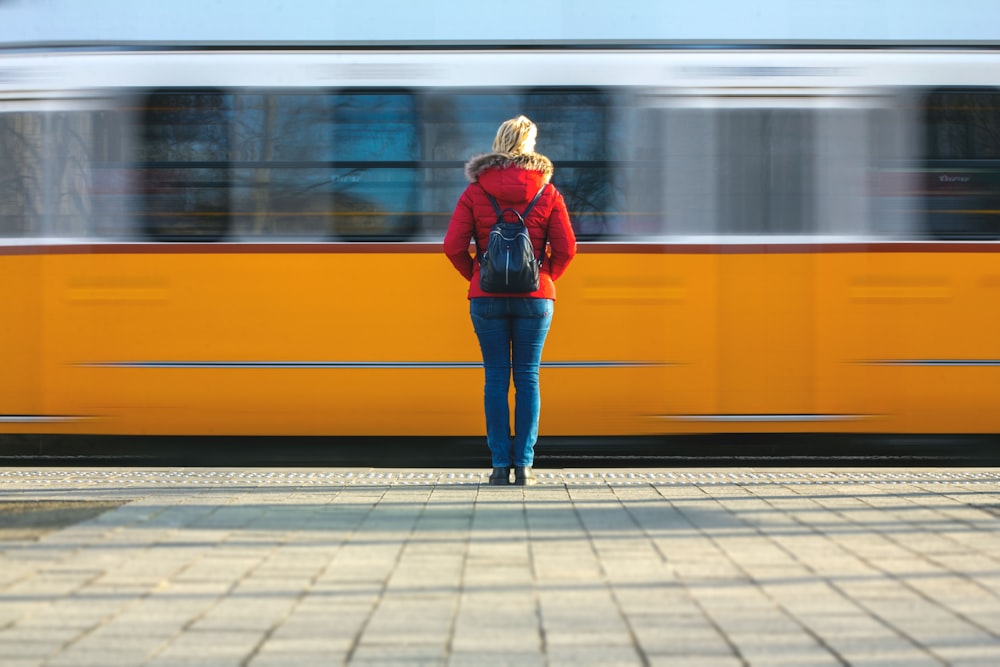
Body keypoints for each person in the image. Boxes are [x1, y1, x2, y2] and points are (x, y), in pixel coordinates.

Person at [443, 116, 577, 486]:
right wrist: (545, 276)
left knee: (496, 379)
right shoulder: (547, 192)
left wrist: (477, 274)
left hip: (486, 299)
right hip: (536, 299)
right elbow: (567, 248)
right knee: (528, 377)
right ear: (530, 145)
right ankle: (525, 467)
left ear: (498, 142)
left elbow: (452, 246)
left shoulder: (474, 192)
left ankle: (500, 466)